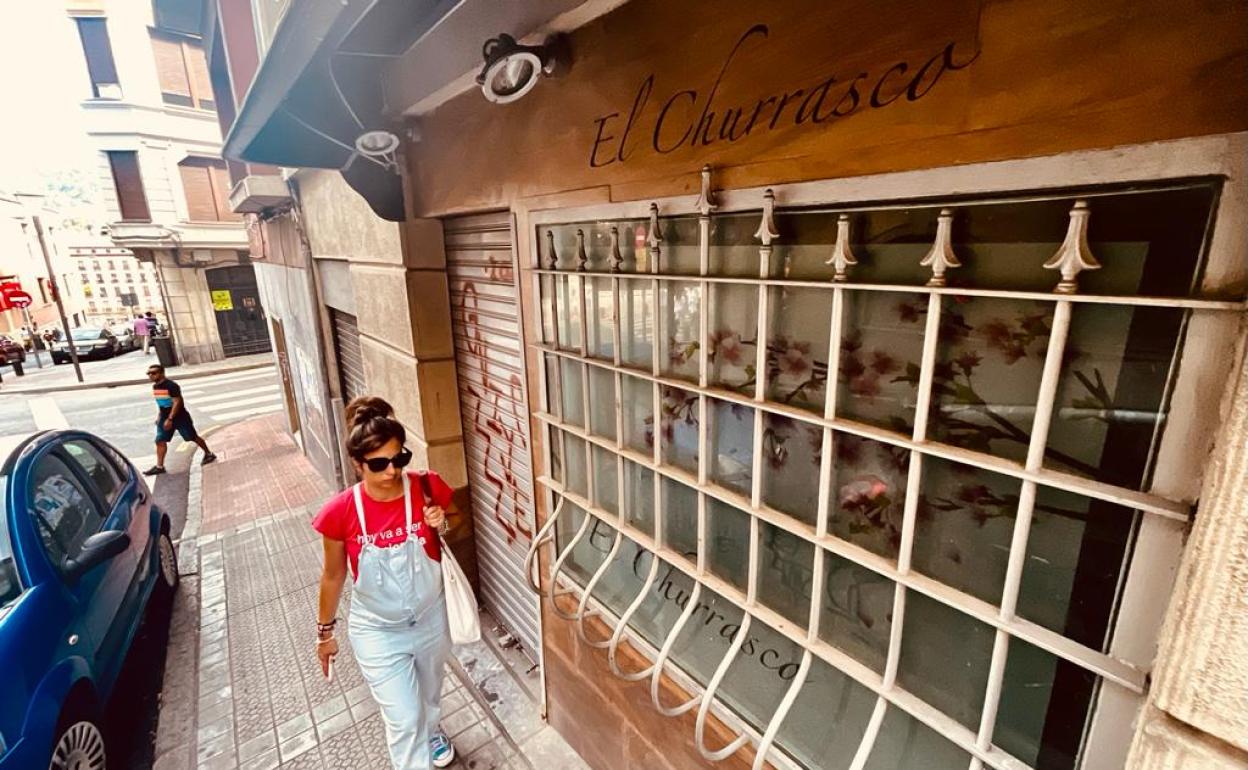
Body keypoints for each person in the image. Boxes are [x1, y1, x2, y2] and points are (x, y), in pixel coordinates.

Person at [313, 397, 458, 769]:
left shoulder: (426, 486)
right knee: (404, 720)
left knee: (429, 697)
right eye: (379, 464)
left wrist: (442, 521)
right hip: (377, 631)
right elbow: (333, 575)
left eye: (399, 459)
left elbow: (455, 524)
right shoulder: (340, 512)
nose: (392, 471)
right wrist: (325, 634)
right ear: (357, 464)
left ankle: (433, 731)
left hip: (431, 618)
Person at [143, 363, 216, 475]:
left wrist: (170, 418)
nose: (150, 375)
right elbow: (161, 403)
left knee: (192, 437)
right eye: (148, 373)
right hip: (164, 417)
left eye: (153, 373)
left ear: (162, 373)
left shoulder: (172, 386)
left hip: (180, 417)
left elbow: (177, 402)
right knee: (160, 440)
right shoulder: (155, 387)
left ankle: (209, 454)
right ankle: (159, 466)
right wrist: (159, 417)